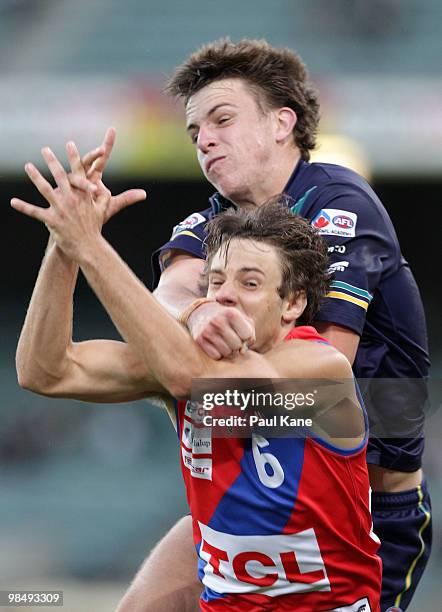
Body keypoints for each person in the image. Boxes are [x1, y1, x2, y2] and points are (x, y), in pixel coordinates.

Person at [117, 39, 430, 612]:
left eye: (222, 119)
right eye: (194, 132)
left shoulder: (342, 201)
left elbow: (312, 386)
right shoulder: (217, 222)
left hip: (359, 515)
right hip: (252, 497)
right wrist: (197, 312)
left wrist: (184, 380)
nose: (205, 139)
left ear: (283, 122)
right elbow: (161, 302)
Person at [12, 149, 382, 610]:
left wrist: (91, 246)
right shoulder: (180, 363)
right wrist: (63, 245)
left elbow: (194, 378)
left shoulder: (321, 368)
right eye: (215, 282)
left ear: (291, 303)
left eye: (249, 284)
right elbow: (45, 370)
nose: (225, 296)